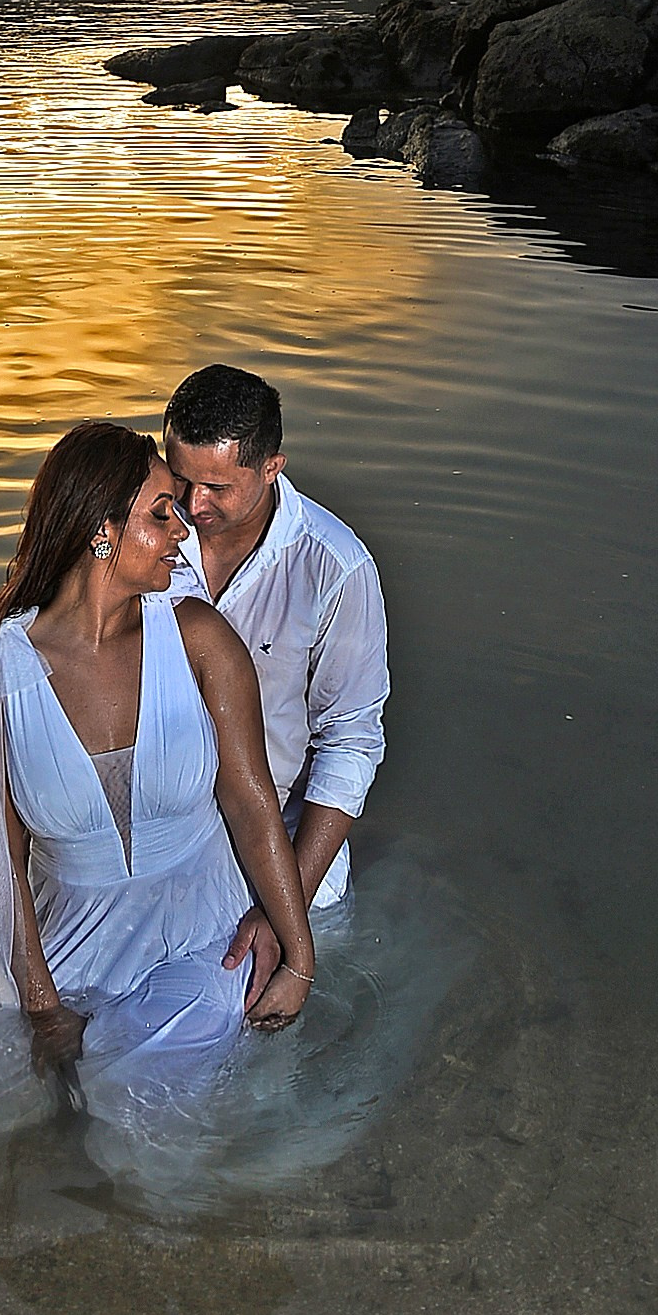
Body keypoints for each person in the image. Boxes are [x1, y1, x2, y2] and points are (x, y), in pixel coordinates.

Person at [0, 420, 318, 1162]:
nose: (182, 532)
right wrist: (40, 1006)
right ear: (101, 529)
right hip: (69, 941)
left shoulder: (198, 638)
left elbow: (252, 806)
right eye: (162, 513)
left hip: (199, 936)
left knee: (137, 1124)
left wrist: (297, 956)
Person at [163, 364, 389, 1015]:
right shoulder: (145, 537)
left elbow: (349, 744)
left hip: (285, 857)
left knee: (266, 1040)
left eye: (215, 487)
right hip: (162, 846)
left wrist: (282, 911)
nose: (192, 505)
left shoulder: (335, 568)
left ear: (272, 467)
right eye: (180, 478)